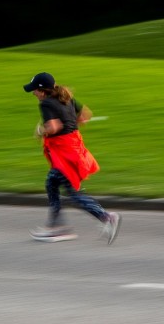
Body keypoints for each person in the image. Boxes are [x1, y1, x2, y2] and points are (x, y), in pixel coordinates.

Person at [23, 72, 121, 245]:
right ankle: (57, 227)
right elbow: (85, 116)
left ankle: (105, 218)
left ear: (42, 90)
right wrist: (71, 123)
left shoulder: (46, 103)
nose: (33, 94)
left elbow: (54, 127)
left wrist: (40, 131)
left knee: (73, 192)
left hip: (64, 152)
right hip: (74, 147)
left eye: (35, 91)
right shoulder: (66, 98)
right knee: (52, 182)